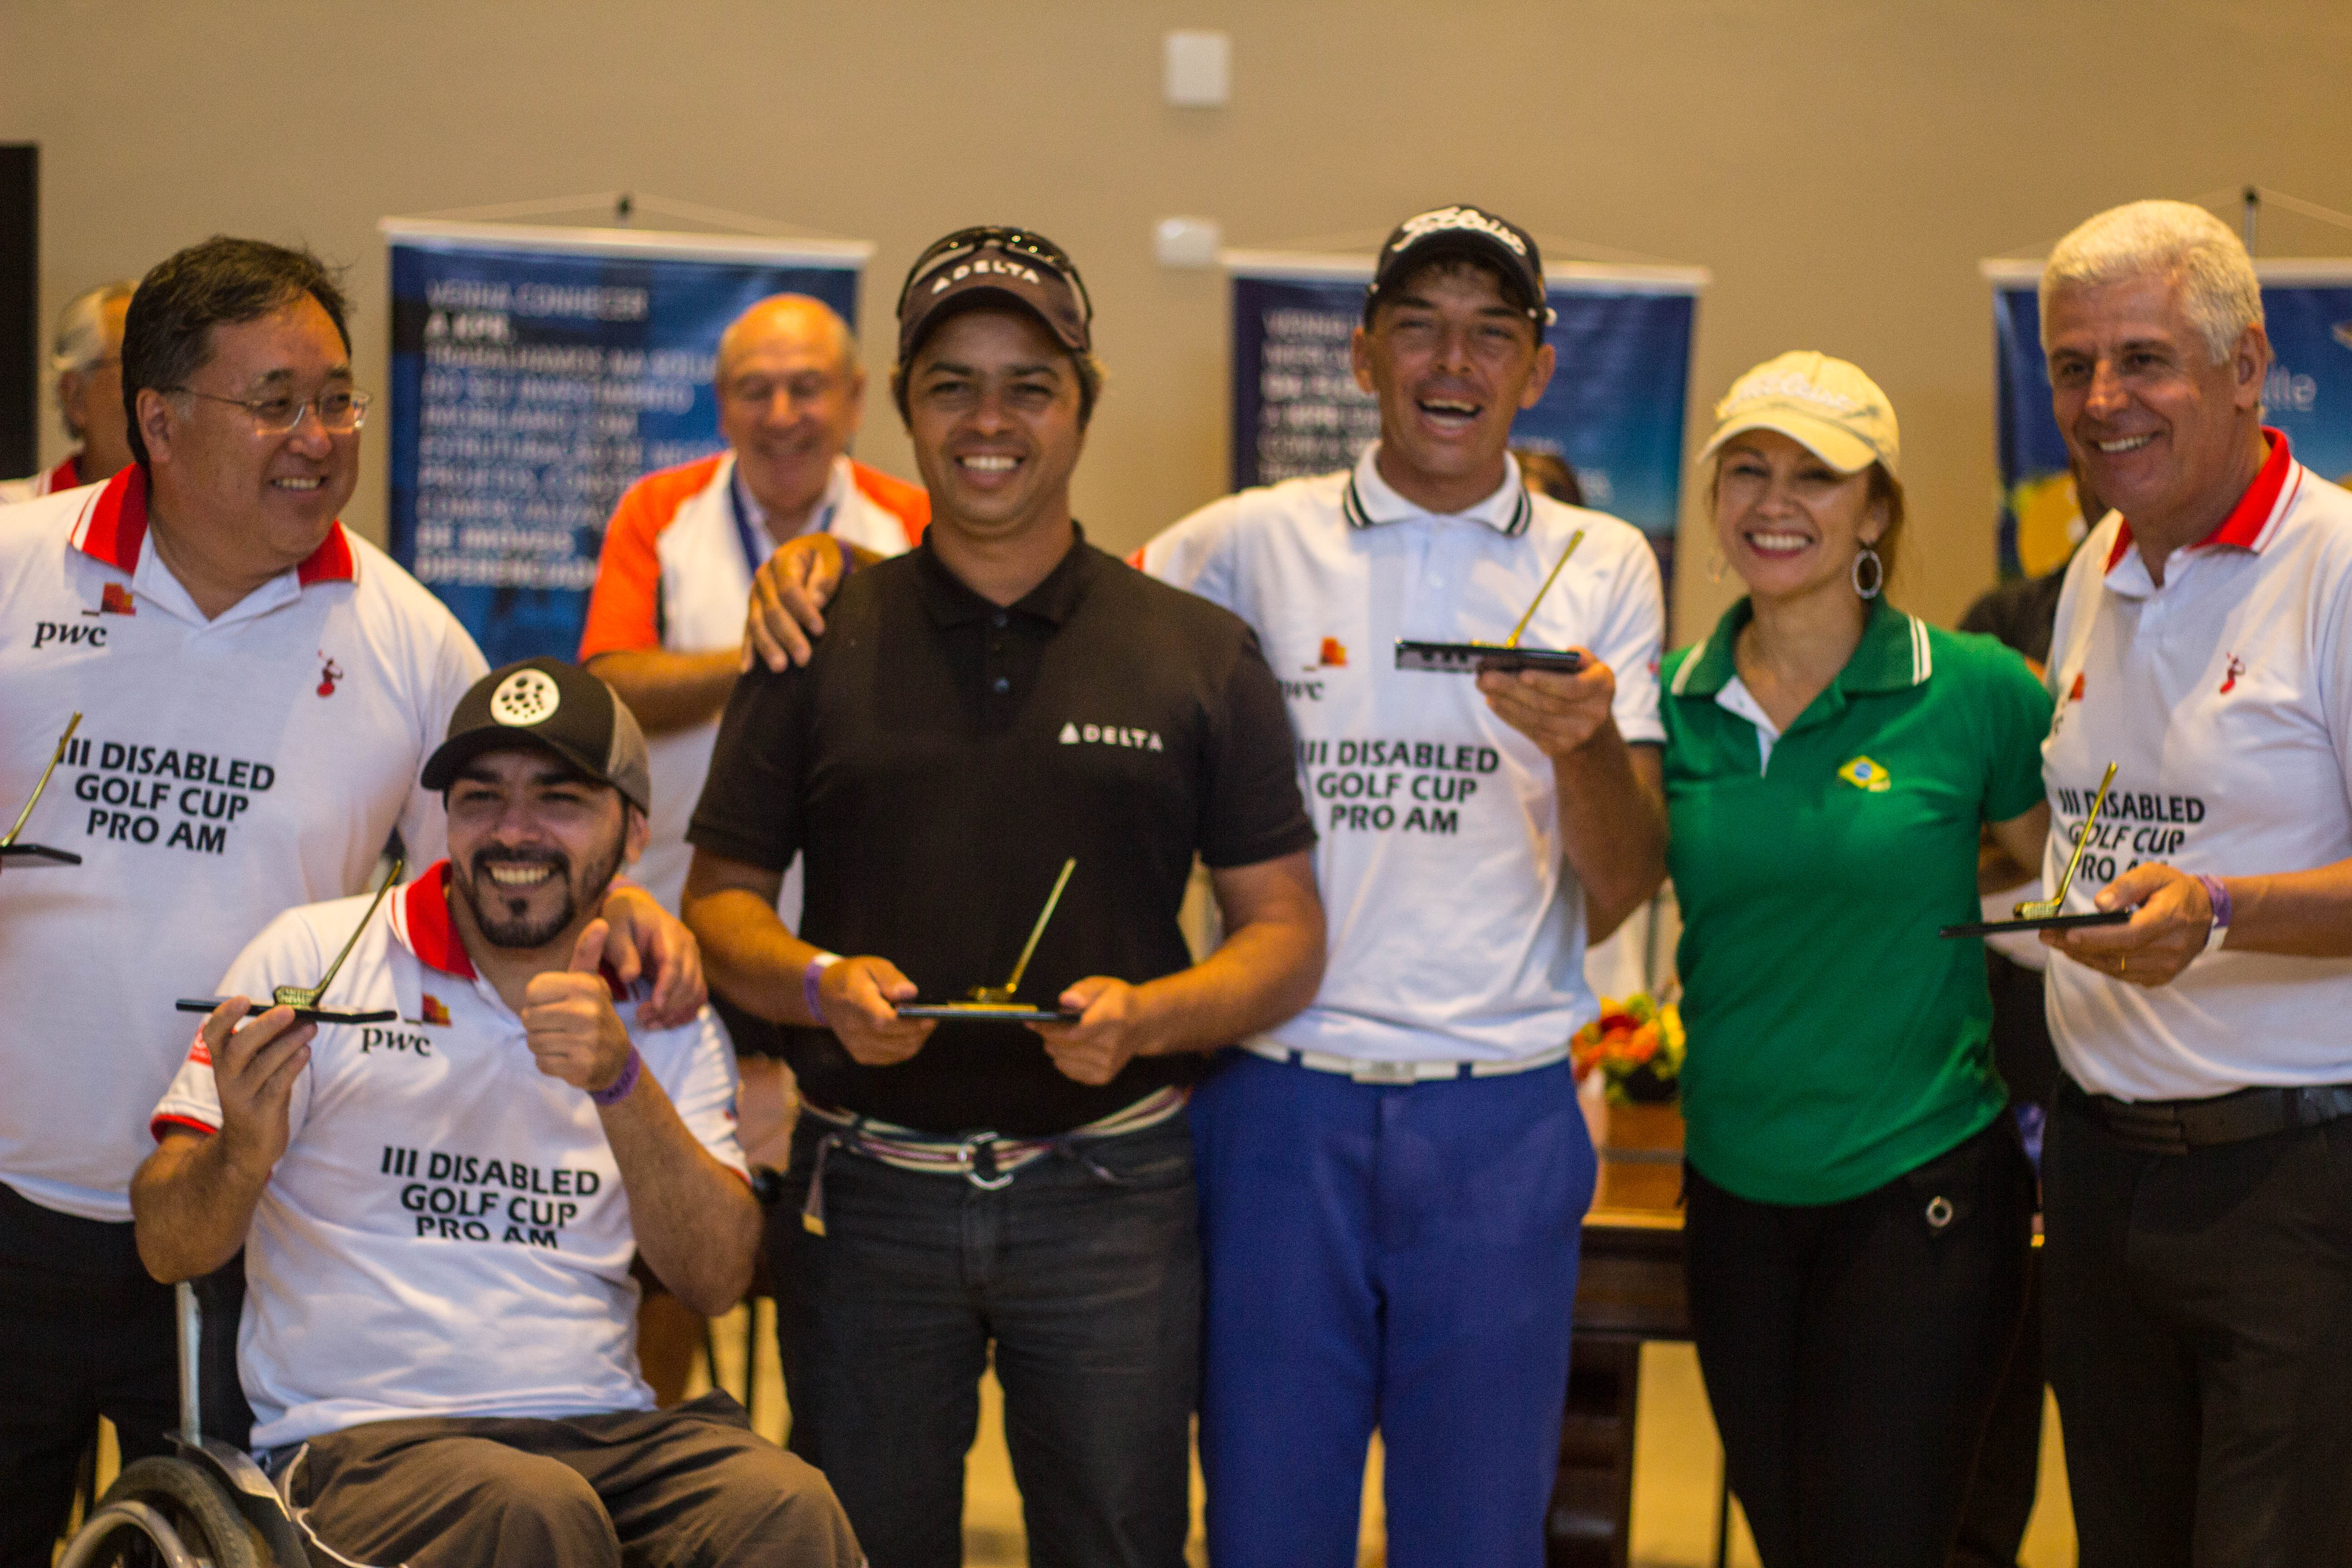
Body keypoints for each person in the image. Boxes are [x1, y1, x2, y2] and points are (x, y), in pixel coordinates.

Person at [745, 204, 1666, 1568]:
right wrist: (832, 563)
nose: (1450, 360)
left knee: (1477, 1537)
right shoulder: (1241, 545)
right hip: (1275, 1101)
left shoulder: (1606, 565)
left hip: (1500, 1105)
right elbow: (1032, 587)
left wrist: (1586, 751)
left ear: (1537, 367)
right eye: (1417, 326)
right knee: (1263, 1530)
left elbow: (1622, 888)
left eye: (1491, 331)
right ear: (1362, 356)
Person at [0, 237, 699, 1560]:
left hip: (242, 1235)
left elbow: (520, 874)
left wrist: (631, 918)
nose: (318, 437)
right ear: (158, 418)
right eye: (276, 402)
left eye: (338, 400)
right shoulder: (12, 567)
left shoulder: (408, 638)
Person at [684, 225, 1325, 1568]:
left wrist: (1152, 1016)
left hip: (1113, 1199)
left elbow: (1285, 941)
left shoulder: (1196, 654)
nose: (991, 421)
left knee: (1119, 1542)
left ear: (1083, 406)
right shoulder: (812, 637)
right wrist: (813, 984)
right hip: (869, 1200)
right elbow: (721, 907)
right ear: (906, 412)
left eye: (1029, 383)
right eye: (954, 385)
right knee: (863, 1543)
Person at [129, 658, 859, 1564]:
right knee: (531, 1512)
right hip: (362, 1443)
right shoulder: (316, 959)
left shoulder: (661, 1008)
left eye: (559, 799)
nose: (515, 830)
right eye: (480, 799)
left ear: (633, 834)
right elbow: (167, 1247)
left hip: (605, 1432)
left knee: (785, 1503)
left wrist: (622, 1084)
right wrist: (240, 1155)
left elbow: (713, 1281)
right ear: (447, 821)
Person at [1659, 352, 2050, 1568]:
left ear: (1874, 509)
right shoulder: (1673, 700)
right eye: (1749, 470)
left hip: (1920, 1187)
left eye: (1818, 477)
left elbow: (2061, 892)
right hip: (1733, 1197)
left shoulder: (1976, 689)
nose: (1776, 502)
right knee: (1792, 1542)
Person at [2030, 199, 2352, 1567]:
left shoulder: (2335, 567)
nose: (2105, 400)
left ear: (2243, 366)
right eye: (2072, 365)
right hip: (2102, 1178)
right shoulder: (2096, 563)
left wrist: (2222, 912)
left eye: (2144, 358)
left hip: (2292, 1188)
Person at [579, 293, 927, 916]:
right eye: (755, 390)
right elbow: (610, 686)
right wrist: (767, 648)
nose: (781, 415)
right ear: (720, 404)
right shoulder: (657, 511)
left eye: (807, 387)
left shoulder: (913, 521)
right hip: (674, 910)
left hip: (868, 913)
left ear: (855, 399)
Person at [0, 279, 138, 504]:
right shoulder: (13, 514)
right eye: (134, 364)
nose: (161, 387)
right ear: (75, 397)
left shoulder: (203, 521)